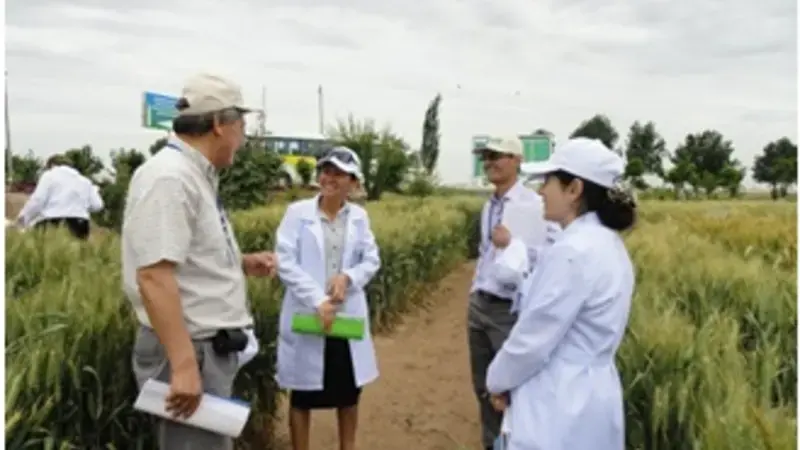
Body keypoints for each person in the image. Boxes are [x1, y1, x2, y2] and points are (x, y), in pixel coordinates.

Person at [122, 73, 277, 450]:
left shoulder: (192, 174)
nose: (243, 136)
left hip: (203, 351)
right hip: (191, 352)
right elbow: (154, 276)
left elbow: (180, 256)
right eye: (242, 126)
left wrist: (237, 262)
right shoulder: (170, 178)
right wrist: (185, 366)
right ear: (220, 125)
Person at [485, 137, 637, 450]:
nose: (541, 191)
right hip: (593, 394)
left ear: (574, 190)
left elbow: (532, 339)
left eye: (548, 181)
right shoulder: (607, 245)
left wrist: (497, 381)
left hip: (556, 400)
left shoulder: (572, 252)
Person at [274, 146, 381, 450]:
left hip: (345, 314)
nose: (329, 178)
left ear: (354, 182)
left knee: (348, 392)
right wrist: (316, 299)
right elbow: (286, 261)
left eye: (338, 173)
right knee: (303, 395)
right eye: (325, 171)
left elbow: (371, 260)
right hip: (308, 312)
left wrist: (348, 277)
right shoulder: (297, 214)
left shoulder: (359, 217)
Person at [468, 136, 549, 450]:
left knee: (512, 387)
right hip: (480, 304)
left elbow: (550, 255)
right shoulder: (490, 205)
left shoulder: (534, 204)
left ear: (516, 159)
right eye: (486, 156)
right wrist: (475, 288)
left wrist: (515, 246)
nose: (490, 162)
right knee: (483, 386)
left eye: (497, 156)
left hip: (509, 309)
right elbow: (484, 253)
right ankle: (491, 444)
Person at [16, 154, 104, 240]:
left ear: (52, 165)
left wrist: (23, 219)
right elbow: (98, 205)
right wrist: (81, 206)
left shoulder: (49, 176)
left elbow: (38, 200)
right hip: (81, 224)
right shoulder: (85, 181)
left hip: (53, 222)